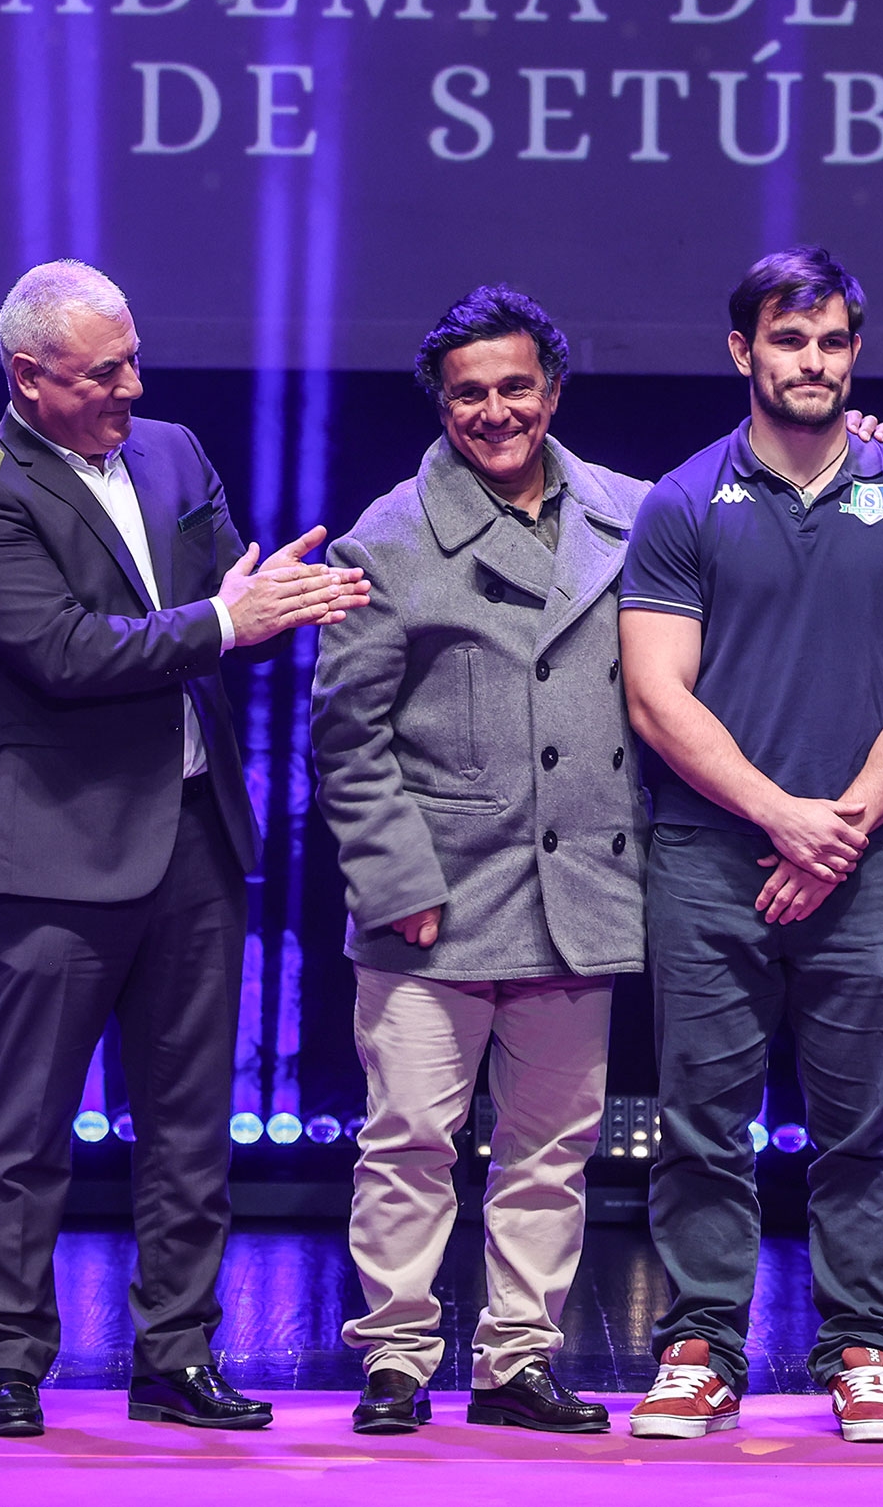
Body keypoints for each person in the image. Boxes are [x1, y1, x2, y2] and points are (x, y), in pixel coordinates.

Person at [0, 260, 364, 1439]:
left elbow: (228, 605)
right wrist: (225, 618)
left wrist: (269, 601)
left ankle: (176, 1354)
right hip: (57, 851)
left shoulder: (172, 452)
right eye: (103, 371)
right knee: (27, 1124)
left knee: (189, 1122)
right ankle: (8, 1358)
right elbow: (65, 654)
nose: (132, 386)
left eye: (133, 359)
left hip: (193, 834)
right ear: (29, 375)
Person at [618, 247, 883, 1443]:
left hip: (868, 861)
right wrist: (784, 817)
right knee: (700, 1123)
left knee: (863, 1126)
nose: (810, 362)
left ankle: (863, 1348)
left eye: (830, 342)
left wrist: (841, 827)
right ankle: (701, 1348)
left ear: (853, 353)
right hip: (710, 858)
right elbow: (656, 694)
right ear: (742, 351)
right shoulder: (681, 500)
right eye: (787, 339)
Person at [309, 287, 647, 1437]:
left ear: (552, 389)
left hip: (577, 889)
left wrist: (860, 443)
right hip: (436, 898)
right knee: (409, 1140)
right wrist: (394, 877)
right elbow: (345, 737)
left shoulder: (632, 515)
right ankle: (395, 1360)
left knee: (552, 1150)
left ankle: (516, 1363)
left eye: (514, 387)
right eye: (469, 393)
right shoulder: (389, 534)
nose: (495, 411)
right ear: (441, 404)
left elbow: (746, 512)